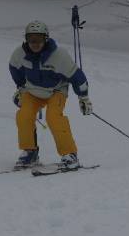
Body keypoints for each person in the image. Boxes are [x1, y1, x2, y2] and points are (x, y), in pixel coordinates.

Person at [9, 20, 92, 170]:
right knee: (24, 115)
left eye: (39, 39)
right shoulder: (20, 54)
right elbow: (14, 69)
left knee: (53, 117)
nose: (35, 43)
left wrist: (83, 97)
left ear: (46, 39)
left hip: (56, 91)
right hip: (32, 90)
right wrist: (20, 88)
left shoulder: (58, 55)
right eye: (31, 39)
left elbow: (77, 76)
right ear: (26, 39)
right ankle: (30, 152)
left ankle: (70, 155)